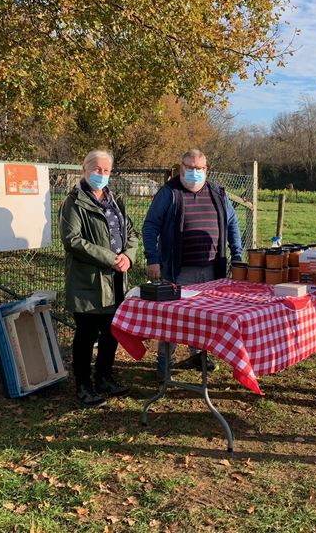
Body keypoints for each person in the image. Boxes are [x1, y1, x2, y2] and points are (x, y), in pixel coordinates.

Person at [143, 149, 243, 376]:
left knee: (205, 317)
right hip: (178, 270)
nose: (194, 172)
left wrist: (237, 255)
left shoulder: (218, 193)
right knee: (173, 319)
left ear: (206, 170)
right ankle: (164, 363)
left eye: (199, 168)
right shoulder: (169, 193)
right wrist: (153, 258)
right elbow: (150, 226)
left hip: (211, 269)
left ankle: (199, 356)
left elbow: (232, 224)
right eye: (190, 167)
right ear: (181, 168)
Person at [59, 150, 139, 406]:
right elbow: (72, 241)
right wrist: (109, 258)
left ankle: (104, 377)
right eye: (96, 169)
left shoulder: (115, 201)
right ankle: (83, 385)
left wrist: (129, 255)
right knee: (86, 333)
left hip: (116, 279)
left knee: (111, 331)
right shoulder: (74, 202)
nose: (101, 174)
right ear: (85, 169)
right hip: (88, 281)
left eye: (106, 170)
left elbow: (131, 233)